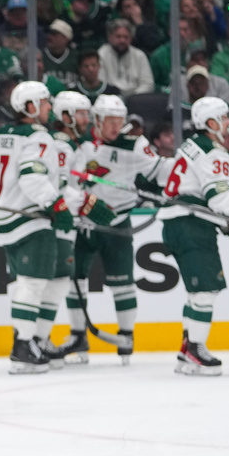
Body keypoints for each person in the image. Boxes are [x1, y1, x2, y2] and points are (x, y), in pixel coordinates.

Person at [0, 82, 109, 373]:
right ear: (29, 107)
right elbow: (33, 180)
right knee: (32, 284)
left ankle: (31, 342)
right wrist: (57, 204)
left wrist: (74, 202)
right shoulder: (39, 138)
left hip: (7, 213)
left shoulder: (1, 134)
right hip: (30, 215)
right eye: (43, 103)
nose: (47, 108)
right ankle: (24, 346)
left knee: (34, 283)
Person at [158, 97, 229, 376]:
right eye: (225, 118)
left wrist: (221, 220)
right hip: (190, 226)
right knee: (207, 289)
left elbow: (196, 192)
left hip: (180, 223)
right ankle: (195, 349)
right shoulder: (214, 152)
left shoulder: (190, 146)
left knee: (197, 292)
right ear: (210, 123)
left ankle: (187, 351)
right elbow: (218, 193)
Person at [61, 94, 170, 365]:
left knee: (122, 283)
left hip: (118, 222)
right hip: (84, 223)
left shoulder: (135, 144)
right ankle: (78, 338)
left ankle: (126, 339)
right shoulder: (80, 144)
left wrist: (182, 180)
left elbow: (161, 171)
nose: (115, 126)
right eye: (109, 120)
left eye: (119, 120)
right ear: (97, 120)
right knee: (75, 281)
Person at [96, 18, 154, 98]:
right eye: (118, 36)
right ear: (110, 37)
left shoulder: (139, 55)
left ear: (131, 38)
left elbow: (148, 84)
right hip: (110, 99)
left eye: (126, 37)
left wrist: (134, 97)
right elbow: (100, 82)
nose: (122, 40)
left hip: (136, 99)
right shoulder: (101, 54)